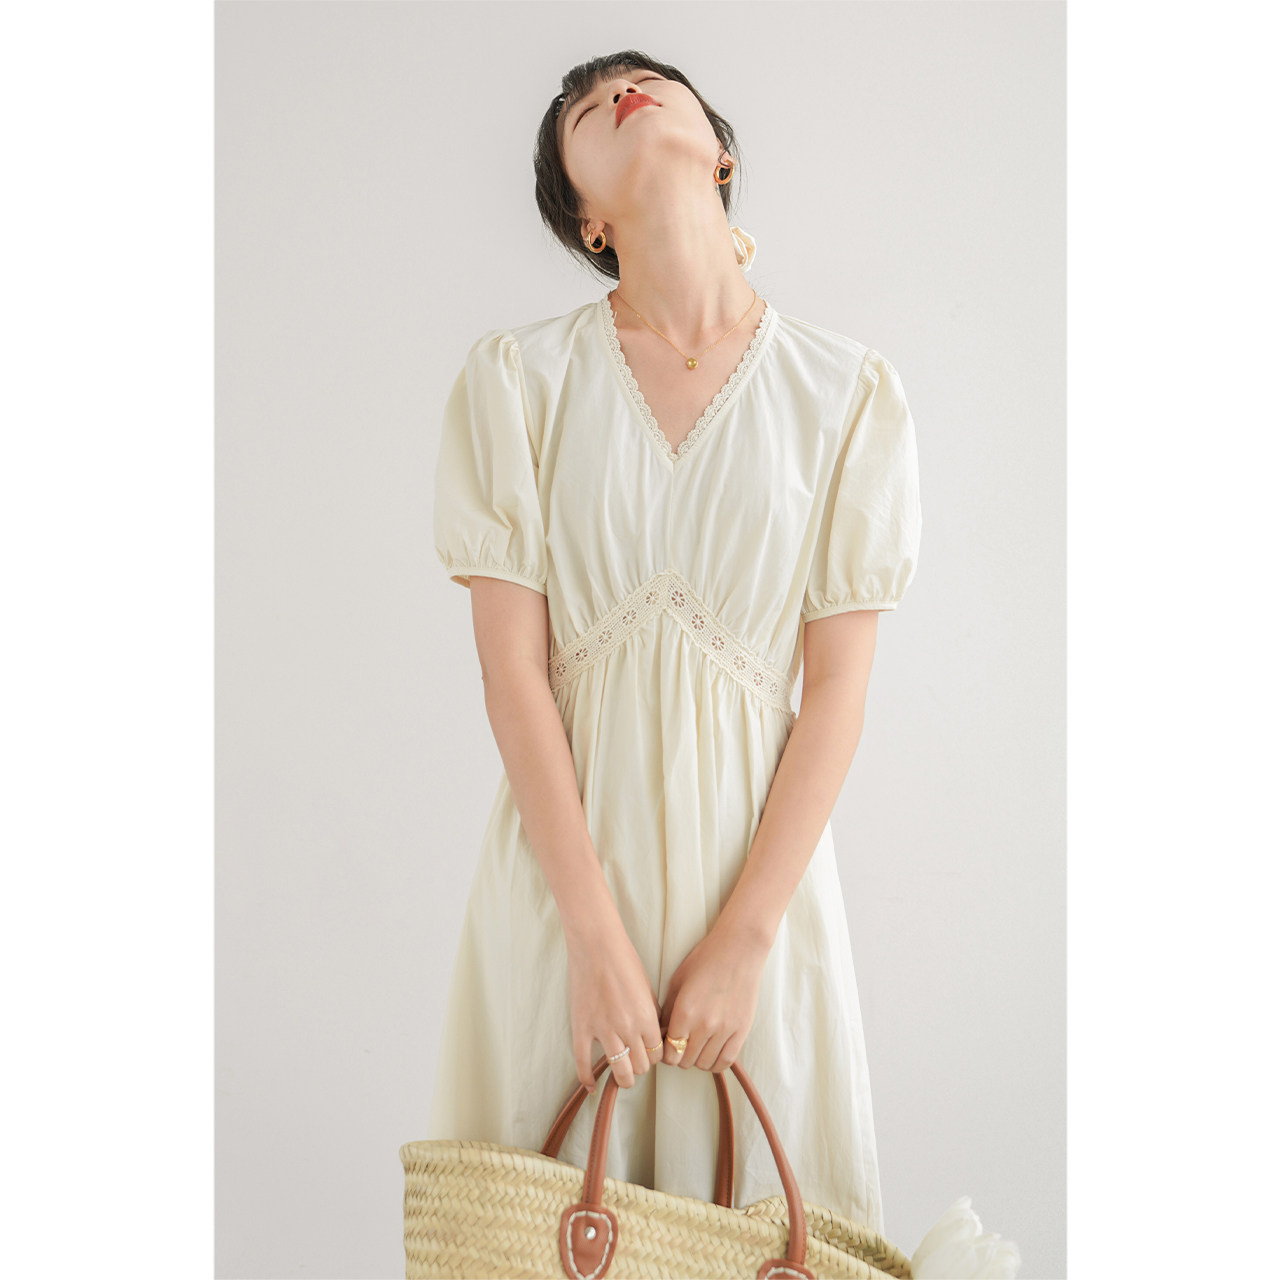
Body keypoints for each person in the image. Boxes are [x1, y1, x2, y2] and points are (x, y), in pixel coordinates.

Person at [426, 50, 921, 1234]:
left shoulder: (846, 393)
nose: (617, 92)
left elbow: (836, 691)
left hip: (756, 889)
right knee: (538, 1229)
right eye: (583, 108)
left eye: (645, 80)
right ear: (585, 219)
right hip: (564, 884)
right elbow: (512, 672)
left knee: (761, 1229)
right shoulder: (518, 380)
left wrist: (746, 938)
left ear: (721, 154)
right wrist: (590, 938)